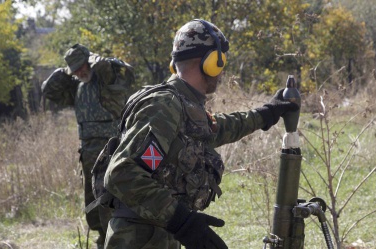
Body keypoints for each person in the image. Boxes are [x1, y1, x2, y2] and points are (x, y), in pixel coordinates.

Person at [103, 19, 299, 249]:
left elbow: (217, 129)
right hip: (137, 240)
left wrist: (267, 113)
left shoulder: (184, 105)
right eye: (222, 60)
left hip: (155, 236)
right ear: (211, 62)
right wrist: (184, 223)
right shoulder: (164, 105)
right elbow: (121, 173)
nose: (223, 69)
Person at [41, 44, 136, 249]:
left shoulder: (106, 78)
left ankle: (119, 238)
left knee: (111, 195)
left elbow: (120, 73)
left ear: (89, 61)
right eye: (74, 70)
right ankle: (103, 238)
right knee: (93, 199)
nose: (79, 72)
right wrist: (64, 72)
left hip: (112, 148)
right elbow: (48, 91)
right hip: (89, 152)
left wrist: (96, 61)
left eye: (81, 66)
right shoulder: (78, 86)